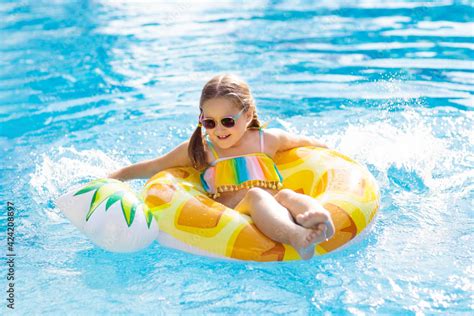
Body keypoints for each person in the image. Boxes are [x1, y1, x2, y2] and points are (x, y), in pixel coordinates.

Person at [108, 74, 335, 260]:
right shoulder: (204, 150)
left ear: (247, 115)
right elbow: (153, 166)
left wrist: (336, 154)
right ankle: (296, 235)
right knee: (256, 195)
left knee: (287, 195)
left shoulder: (268, 140)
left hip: (275, 204)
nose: (218, 130)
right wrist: (116, 176)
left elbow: (311, 145)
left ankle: (318, 219)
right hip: (238, 212)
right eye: (209, 123)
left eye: (227, 121)